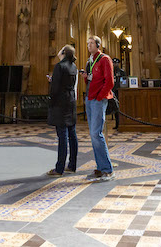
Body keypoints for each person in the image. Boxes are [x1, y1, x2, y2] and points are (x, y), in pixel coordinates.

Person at [81, 35, 114, 182]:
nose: (89, 45)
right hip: (89, 98)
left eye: (91, 43)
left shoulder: (105, 59)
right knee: (93, 135)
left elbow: (110, 81)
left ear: (98, 45)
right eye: (88, 43)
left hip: (98, 99)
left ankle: (108, 170)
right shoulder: (90, 60)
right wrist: (85, 76)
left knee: (96, 133)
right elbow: (91, 79)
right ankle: (100, 167)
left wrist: (100, 96)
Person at [46, 44, 78, 176]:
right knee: (72, 134)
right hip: (71, 101)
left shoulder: (60, 66)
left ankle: (59, 168)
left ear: (63, 53)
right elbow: (66, 83)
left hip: (60, 102)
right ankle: (72, 165)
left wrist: (51, 101)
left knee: (62, 136)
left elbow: (55, 89)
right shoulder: (73, 66)